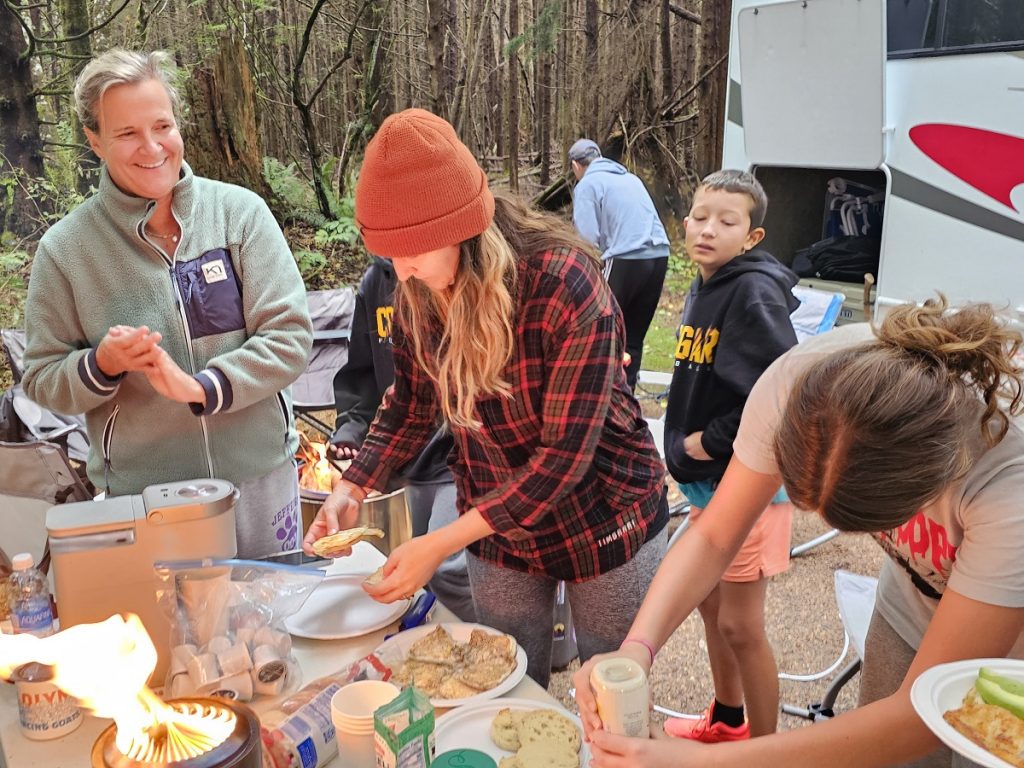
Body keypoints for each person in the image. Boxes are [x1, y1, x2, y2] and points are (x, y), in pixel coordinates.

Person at [574, 295, 1024, 768]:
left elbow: (916, 719)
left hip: (1010, 648)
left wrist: (698, 763)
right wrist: (635, 651)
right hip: (908, 602)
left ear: (926, 490)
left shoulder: (1007, 483)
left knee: (981, 747)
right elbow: (714, 535)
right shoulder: (801, 381)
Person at [304, 108, 669, 688]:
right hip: (495, 522)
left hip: (602, 514)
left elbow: (564, 460)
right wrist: (354, 487)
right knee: (501, 683)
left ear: (462, 225)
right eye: (389, 256)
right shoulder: (417, 287)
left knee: (614, 689)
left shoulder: (564, 282)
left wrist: (437, 544)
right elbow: (411, 402)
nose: (402, 272)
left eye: (414, 251)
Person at [22, 49, 313, 559]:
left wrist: (203, 387)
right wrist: (99, 366)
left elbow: (289, 338)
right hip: (149, 500)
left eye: (162, 125)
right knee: (178, 634)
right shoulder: (66, 252)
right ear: (94, 141)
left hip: (261, 479)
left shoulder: (239, 215)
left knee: (276, 624)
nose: (152, 147)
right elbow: (42, 377)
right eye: (127, 133)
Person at [662, 170, 799, 741]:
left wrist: (708, 441)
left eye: (727, 220)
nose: (707, 229)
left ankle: (765, 751)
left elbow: (784, 386)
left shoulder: (752, 292)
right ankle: (727, 720)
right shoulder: (707, 283)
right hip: (708, 487)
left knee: (742, 626)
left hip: (745, 491)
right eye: (700, 216)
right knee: (710, 607)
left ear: (752, 236)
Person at [330, 256, 476, 622]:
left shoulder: (460, 271)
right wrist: (351, 433)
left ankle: (484, 644)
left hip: (455, 459)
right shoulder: (378, 283)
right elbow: (368, 378)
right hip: (399, 463)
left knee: (450, 571)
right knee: (400, 574)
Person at [568, 138, 670, 389]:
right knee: (632, 339)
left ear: (575, 165)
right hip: (658, 256)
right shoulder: (630, 178)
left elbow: (586, 239)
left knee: (601, 332)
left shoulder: (588, 185)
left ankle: (603, 399)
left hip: (625, 258)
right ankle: (627, 397)